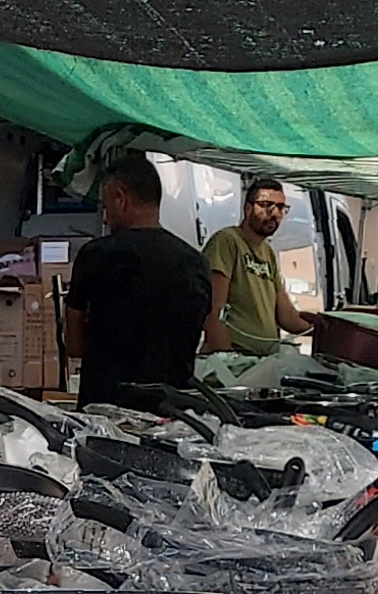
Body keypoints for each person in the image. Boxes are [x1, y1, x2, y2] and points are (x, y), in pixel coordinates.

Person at [58, 151, 213, 406]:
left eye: (106, 206)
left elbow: (74, 344)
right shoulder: (196, 262)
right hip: (174, 412)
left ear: (121, 198)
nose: (106, 217)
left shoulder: (97, 254)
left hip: (107, 408)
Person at [201, 178, 294, 356]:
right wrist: (226, 359)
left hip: (264, 361)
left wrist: (324, 324)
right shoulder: (227, 241)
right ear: (248, 208)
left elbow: (288, 317)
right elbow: (214, 311)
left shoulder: (268, 253)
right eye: (267, 205)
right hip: (235, 360)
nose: (275, 213)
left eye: (281, 208)